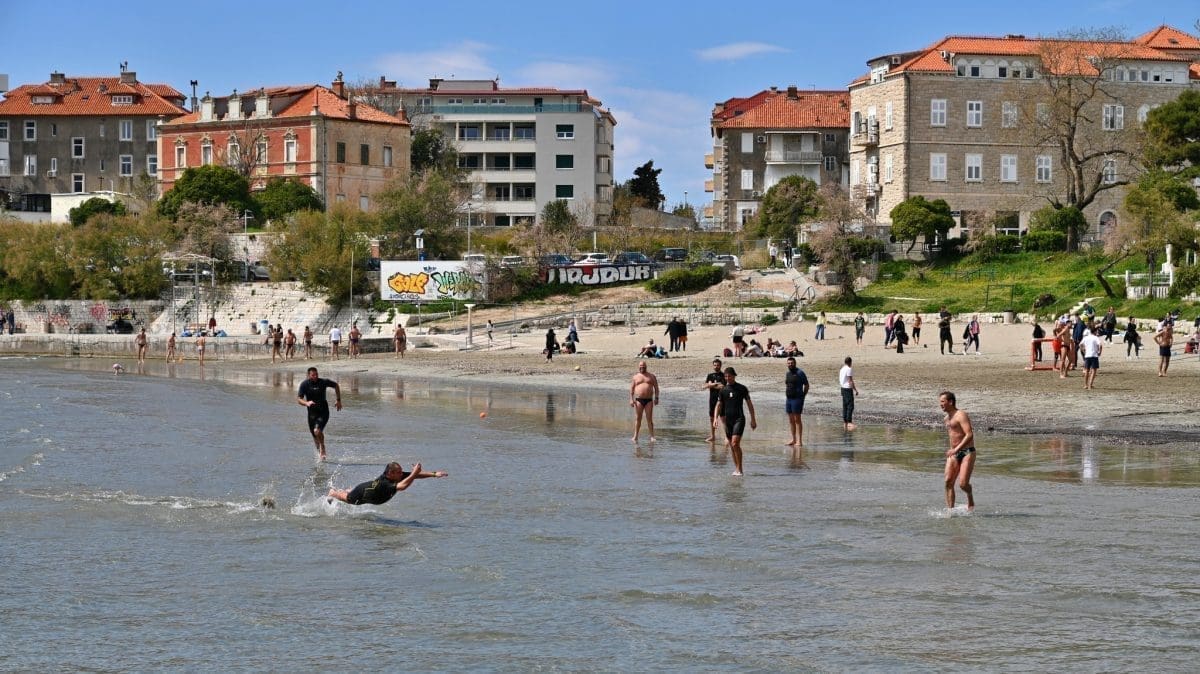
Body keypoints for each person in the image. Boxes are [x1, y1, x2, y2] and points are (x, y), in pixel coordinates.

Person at [327, 461, 447, 506]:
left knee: (348, 493)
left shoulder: (396, 476)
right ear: (390, 473)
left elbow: (413, 476)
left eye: (401, 472)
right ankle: (333, 493)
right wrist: (415, 472)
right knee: (347, 499)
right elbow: (403, 486)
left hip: (369, 490)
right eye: (399, 472)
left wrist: (434, 474)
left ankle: (346, 490)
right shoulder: (384, 483)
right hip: (362, 494)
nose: (401, 474)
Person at [713, 367, 756, 476]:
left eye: (730, 376)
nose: (728, 378)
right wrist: (715, 418)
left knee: (735, 443)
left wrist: (753, 419)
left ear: (734, 376)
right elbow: (718, 405)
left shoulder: (742, 388)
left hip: (739, 419)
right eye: (726, 376)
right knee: (732, 446)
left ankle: (740, 469)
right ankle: (736, 468)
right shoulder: (723, 390)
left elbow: (749, 404)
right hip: (728, 421)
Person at [939, 391, 976, 511]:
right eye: (940, 402)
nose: (940, 404)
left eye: (943, 401)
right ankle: (950, 512)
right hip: (954, 453)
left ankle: (969, 496)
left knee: (963, 484)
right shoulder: (946, 418)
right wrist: (952, 450)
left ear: (950, 402)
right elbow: (953, 436)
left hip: (967, 452)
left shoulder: (961, 415)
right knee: (948, 481)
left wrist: (956, 449)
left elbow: (969, 434)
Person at [297, 366, 342, 461]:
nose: (315, 376)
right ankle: (321, 459)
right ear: (308, 375)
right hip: (311, 414)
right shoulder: (304, 385)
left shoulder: (323, 382)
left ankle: (323, 446)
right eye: (313, 375)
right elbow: (299, 399)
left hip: (323, 412)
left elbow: (336, 385)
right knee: (315, 437)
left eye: (316, 374)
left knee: (317, 431)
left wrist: (338, 400)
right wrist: (306, 403)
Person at [630, 360, 660, 443]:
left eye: (643, 366)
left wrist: (656, 398)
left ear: (646, 367)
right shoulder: (635, 377)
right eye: (640, 366)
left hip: (649, 400)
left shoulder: (652, 376)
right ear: (638, 367)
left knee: (649, 419)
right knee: (638, 418)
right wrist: (631, 399)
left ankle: (652, 436)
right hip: (639, 400)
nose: (642, 368)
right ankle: (635, 436)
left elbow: (656, 388)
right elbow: (632, 389)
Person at [784, 356, 809, 447]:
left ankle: (800, 441)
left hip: (797, 399)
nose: (790, 364)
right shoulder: (788, 373)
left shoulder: (800, 373)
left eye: (792, 363)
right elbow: (788, 384)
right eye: (789, 363)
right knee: (791, 420)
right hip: (789, 399)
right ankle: (793, 439)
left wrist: (803, 395)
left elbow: (806, 385)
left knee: (797, 420)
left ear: (795, 363)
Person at [702, 358, 724, 442]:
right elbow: (703, 386)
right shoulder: (710, 375)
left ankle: (726, 437)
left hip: (722, 399)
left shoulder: (723, 375)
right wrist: (715, 384)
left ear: (720, 366)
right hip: (712, 399)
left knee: (723, 418)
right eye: (715, 365)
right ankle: (713, 436)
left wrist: (711, 385)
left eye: (718, 365)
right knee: (711, 418)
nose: (716, 367)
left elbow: (722, 386)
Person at [839, 356, 858, 431]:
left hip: (842, 388)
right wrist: (855, 390)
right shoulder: (849, 369)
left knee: (845, 405)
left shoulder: (842, 369)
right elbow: (850, 381)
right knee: (850, 406)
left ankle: (845, 422)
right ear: (850, 362)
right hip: (847, 389)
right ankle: (849, 422)